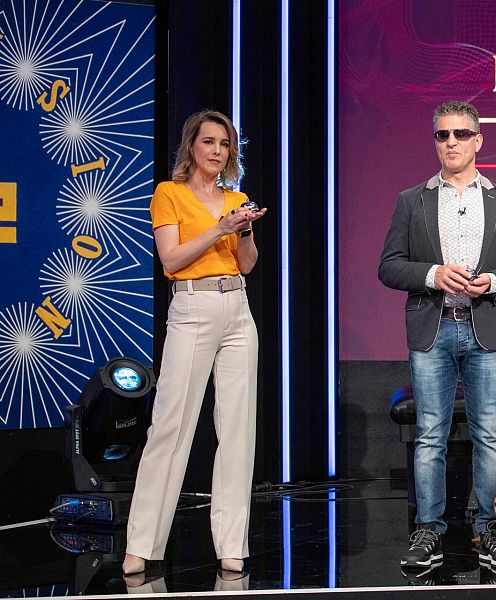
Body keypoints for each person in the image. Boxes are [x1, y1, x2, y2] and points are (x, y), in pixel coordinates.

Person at [379, 100, 496, 569]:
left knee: (490, 435)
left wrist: (492, 280)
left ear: (478, 141)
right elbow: (388, 266)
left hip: (485, 328)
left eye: (460, 134)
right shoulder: (413, 200)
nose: (451, 142)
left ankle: (489, 529)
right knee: (431, 436)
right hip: (433, 329)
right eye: (442, 135)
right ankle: (429, 529)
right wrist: (431, 275)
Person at [122, 110, 267, 576]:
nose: (217, 151)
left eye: (224, 144)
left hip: (237, 310)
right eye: (209, 142)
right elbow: (171, 259)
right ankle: (142, 544)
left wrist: (242, 230)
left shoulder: (237, 198)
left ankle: (231, 543)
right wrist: (218, 229)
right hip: (191, 309)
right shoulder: (169, 194)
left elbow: (246, 265)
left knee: (238, 432)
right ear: (192, 147)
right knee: (170, 429)